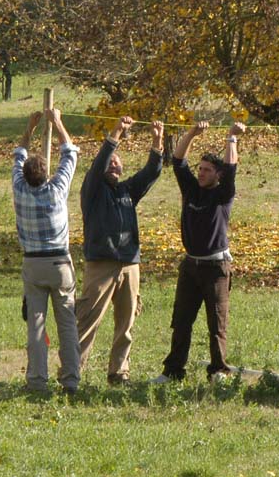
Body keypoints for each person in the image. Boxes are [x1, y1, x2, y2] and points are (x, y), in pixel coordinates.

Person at [152, 120, 246, 383]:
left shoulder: (223, 194)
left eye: (207, 170)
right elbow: (179, 160)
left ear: (217, 175)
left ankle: (219, 371)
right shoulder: (191, 189)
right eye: (201, 169)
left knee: (216, 324)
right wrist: (192, 133)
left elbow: (231, 168)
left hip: (216, 268)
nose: (202, 173)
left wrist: (231, 138)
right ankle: (173, 372)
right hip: (190, 266)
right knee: (181, 321)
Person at [75, 116, 164, 385]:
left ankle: (119, 372)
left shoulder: (127, 191)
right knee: (88, 321)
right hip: (101, 265)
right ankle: (72, 371)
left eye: (118, 162)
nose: (114, 165)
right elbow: (100, 161)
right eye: (111, 162)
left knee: (126, 324)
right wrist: (116, 135)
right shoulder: (92, 189)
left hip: (130, 264)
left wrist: (158, 141)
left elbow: (151, 173)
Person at [12, 109, 81, 394]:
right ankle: (70, 381)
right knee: (67, 325)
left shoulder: (19, 190)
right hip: (59, 263)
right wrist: (57, 122)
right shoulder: (56, 191)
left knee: (36, 327)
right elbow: (70, 153)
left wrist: (30, 127)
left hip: (32, 264)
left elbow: (18, 154)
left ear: (26, 176)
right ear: (46, 175)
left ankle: (37, 382)